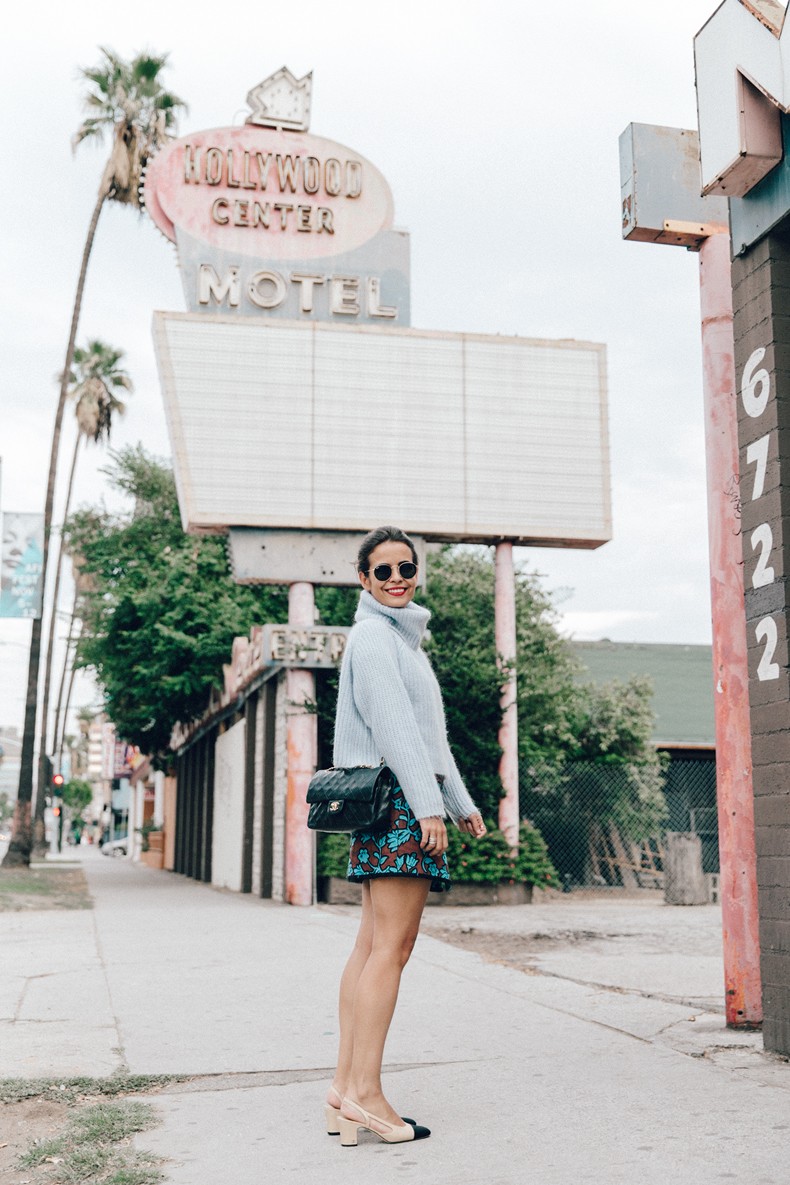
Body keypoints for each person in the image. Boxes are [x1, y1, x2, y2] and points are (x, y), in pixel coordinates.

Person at [326, 525, 487, 1147]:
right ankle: (366, 1093)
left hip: (394, 803)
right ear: (364, 580)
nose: (397, 579)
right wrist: (428, 808)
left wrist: (459, 801)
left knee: (372, 947)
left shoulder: (400, 642)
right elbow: (395, 735)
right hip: (396, 806)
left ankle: (344, 1090)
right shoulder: (373, 639)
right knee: (390, 950)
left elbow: (430, 738)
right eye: (383, 571)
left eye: (405, 568)